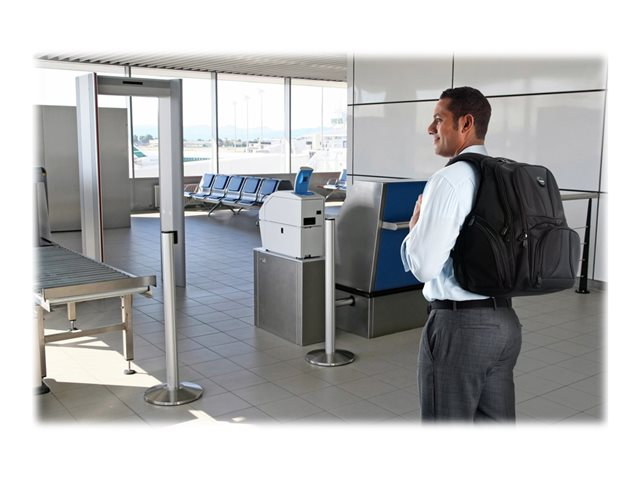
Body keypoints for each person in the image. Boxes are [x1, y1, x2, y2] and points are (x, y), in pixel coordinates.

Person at [401, 86, 522, 422]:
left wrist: (414, 229)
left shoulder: (450, 179)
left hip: (460, 328)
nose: (430, 128)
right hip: (505, 323)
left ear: (466, 123)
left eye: (438, 119)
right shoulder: (505, 174)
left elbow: (424, 267)